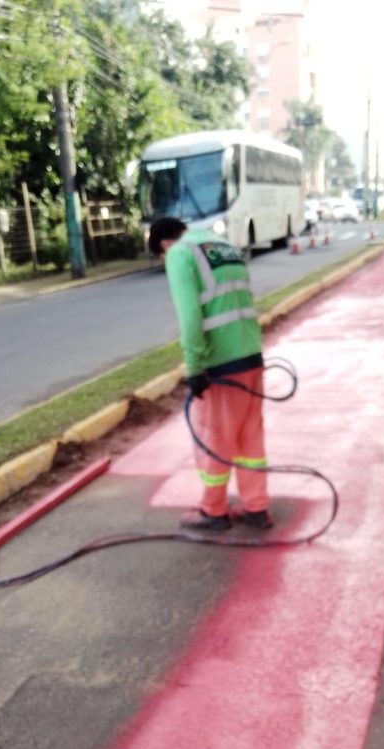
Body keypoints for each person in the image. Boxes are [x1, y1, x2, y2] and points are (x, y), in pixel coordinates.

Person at [148, 216, 272, 532]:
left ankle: (214, 511)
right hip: (251, 356)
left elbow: (190, 316)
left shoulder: (180, 253)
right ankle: (256, 507)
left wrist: (193, 367)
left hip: (220, 365)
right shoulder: (225, 246)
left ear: (164, 244)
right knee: (250, 437)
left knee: (215, 438)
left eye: (161, 257)